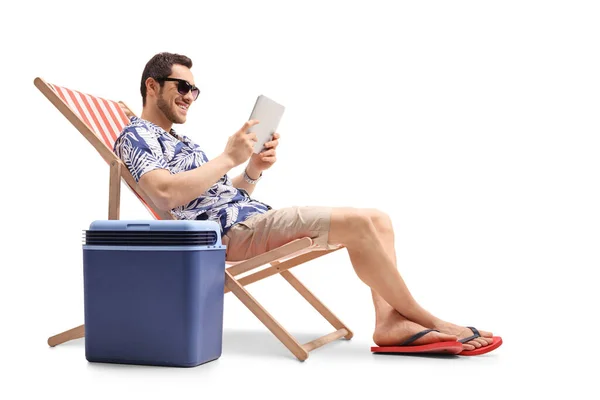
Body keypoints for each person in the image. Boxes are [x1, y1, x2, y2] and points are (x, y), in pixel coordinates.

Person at [114, 52, 501, 356]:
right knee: (361, 225)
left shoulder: (182, 141)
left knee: (379, 220)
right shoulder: (137, 136)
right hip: (229, 235)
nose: (189, 97)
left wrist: (250, 170)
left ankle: (390, 321)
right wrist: (228, 157)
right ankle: (428, 318)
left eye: (194, 90)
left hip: (250, 218)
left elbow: (216, 195)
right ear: (152, 86)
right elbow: (164, 193)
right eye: (182, 87)